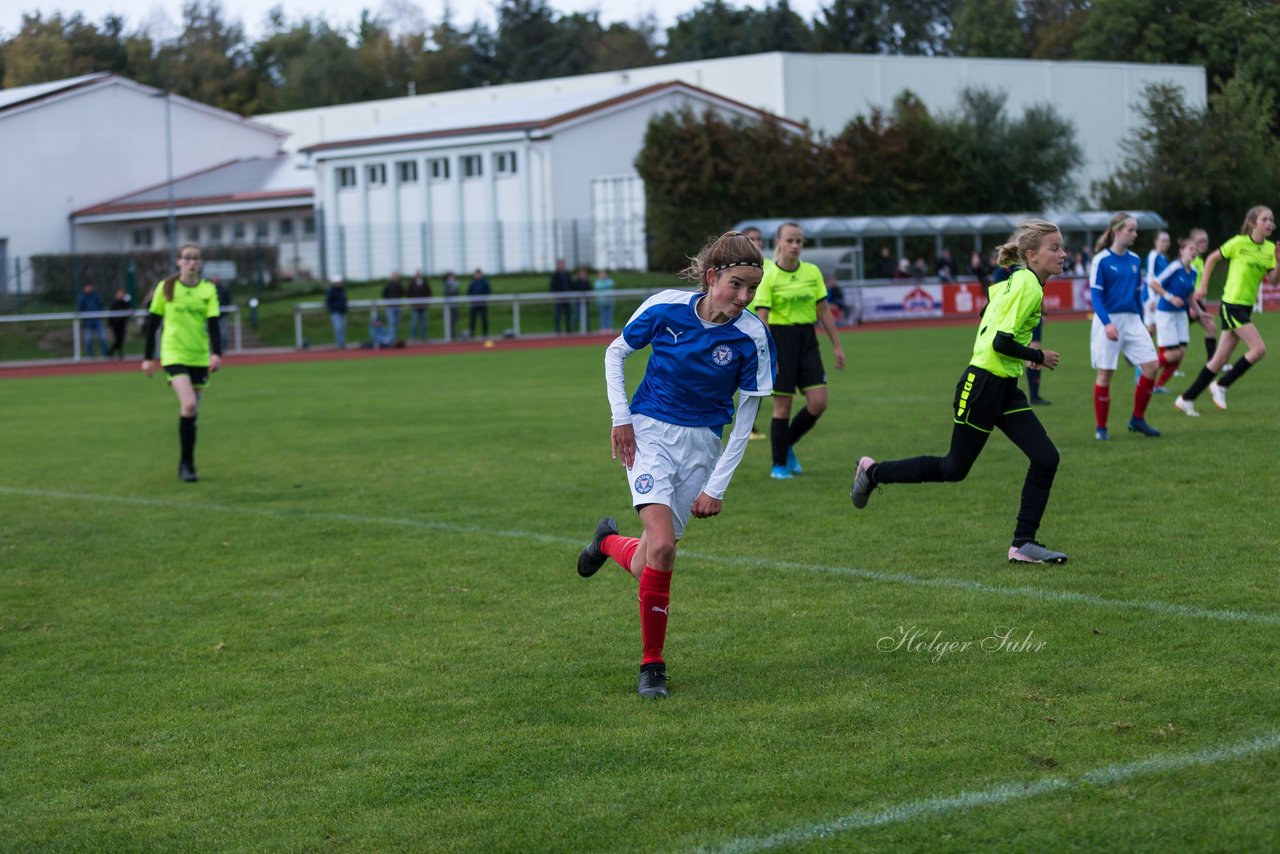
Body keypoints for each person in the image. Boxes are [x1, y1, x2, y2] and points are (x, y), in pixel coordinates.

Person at [575, 231, 775, 699]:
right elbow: (616, 352)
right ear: (711, 277)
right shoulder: (664, 307)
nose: (744, 297)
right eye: (736, 285)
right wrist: (621, 418)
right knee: (663, 548)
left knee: (650, 560)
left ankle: (606, 543)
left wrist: (717, 487)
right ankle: (652, 666)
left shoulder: (753, 338)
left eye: (752, 289)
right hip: (648, 433)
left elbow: (745, 419)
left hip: (702, 446)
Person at [850, 219, 1067, 565]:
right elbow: (1000, 341)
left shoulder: (1018, 280)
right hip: (982, 385)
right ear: (1032, 255)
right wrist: (1039, 355)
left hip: (1005, 388)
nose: (1063, 254)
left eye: (1062, 247)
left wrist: (1020, 352)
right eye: (1054, 248)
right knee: (954, 468)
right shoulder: (1028, 285)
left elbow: (988, 312)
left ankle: (1023, 544)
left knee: (1046, 457)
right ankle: (872, 472)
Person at [754, 221, 846, 479]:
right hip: (781, 341)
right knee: (782, 406)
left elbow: (824, 310)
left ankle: (787, 444)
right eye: (790, 240)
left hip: (807, 338)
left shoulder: (812, 272)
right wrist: (770, 355)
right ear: (779, 243)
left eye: (799, 241)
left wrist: (837, 346)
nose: (795, 246)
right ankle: (779, 465)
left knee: (819, 402)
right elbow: (763, 318)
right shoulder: (769, 276)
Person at [1175, 206, 1278, 416]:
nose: (1270, 223)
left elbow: (1274, 281)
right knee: (1258, 349)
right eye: (1265, 219)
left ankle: (1186, 398)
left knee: (1219, 360)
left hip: (1246, 307)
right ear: (1252, 223)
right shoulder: (1238, 243)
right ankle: (1221, 385)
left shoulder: (1269, 249)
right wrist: (1203, 286)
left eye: (1271, 220)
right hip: (1231, 304)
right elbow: (1212, 258)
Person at [141, 243, 223, 483]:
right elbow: (153, 323)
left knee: (192, 412)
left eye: (196, 258)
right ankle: (187, 465)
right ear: (178, 261)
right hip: (174, 354)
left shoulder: (207, 289)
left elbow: (214, 323)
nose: (191, 262)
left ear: (200, 263)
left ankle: (186, 463)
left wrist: (216, 353)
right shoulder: (166, 288)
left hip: (198, 355)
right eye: (187, 258)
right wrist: (148, 358)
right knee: (188, 405)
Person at [1089, 212, 1161, 440]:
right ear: (1117, 231)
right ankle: (1101, 428)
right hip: (1107, 321)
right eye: (1131, 230)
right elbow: (1096, 298)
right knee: (1105, 374)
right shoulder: (1101, 260)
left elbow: (1138, 296)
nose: (1135, 234)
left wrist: (1143, 323)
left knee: (1151, 365)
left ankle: (1137, 419)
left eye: (1136, 230)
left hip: (1132, 321)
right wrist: (1108, 324)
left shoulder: (1135, 260)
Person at [1150, 237, 1200, 394]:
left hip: (1181, 316)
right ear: (1181, 251)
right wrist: (1170, 297)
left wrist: (1199, 312)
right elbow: (1154, 283)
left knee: (1181, 353)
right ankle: (1145, 368)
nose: (1194, 252)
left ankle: (1158, 385)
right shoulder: (1174, 267)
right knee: (1172, 354)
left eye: (1196, 250)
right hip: (1166, 314)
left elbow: (1190, 295)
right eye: (1191, 249)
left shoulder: (1194, 272)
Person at [742, 226, 770, 441]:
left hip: (758, 331)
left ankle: (750, 427)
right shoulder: (735, 266)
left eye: (759, 239)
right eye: (751, 239)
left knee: (756, 380)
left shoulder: (769, 267)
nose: (756, 242)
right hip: (736, 327)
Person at [1189, 227, 1220, 364]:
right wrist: (1191, 305)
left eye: (1205, 241)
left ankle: (1212, 362)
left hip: (1195, 302)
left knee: (1211, 327)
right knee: (1174, 337)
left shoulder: (1200, 260)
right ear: (1192, 243)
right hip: (1189, 302)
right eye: (1200, 241)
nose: (1203, 244)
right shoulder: (1192, 261)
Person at [76, 283, 108, 358]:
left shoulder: (96, 296)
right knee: (88, 339)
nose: (88, 289)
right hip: (88, 321)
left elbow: (101, 305)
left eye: (89, 287)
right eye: (87, 287)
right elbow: (79, 308)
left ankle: (105, 353)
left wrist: (100, 315)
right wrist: (83, 319)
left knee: (103, 337)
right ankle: (90, 355)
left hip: (97, 320)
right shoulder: (82, 297)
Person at [408, 270, 432, 342]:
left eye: (419, 274)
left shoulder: (425, 283)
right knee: (414, 323)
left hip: (424, 306)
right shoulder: (411, 283)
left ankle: (424, 337)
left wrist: (426, 303)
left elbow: (429, 293)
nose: (418, 276)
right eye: (417, 274)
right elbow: (408, 293)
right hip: (415, 307)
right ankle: (413, 337)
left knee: (424, 323)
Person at [107, 288, 132, 359]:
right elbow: (112, 313)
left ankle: (111, 352)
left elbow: (130, 308)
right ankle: (118, 353)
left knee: (121, 339)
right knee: (118, 339)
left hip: (122, 323)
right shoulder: (114, 302)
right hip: (115, 323)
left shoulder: (125, 302)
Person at [549, 260, 572, 334]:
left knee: (568, 314)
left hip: (566, 297)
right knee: (558, 314)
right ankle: (558, 330)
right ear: (558, 265)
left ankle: (568, 329)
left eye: (562, 264)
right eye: (560, 264)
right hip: (559, 298)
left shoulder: (566, 274)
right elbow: (552, 286)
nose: (562, 265)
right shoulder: (555, 274)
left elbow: (570, 284)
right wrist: (555, 294)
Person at [326, 276, 349, 349]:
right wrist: (332, 309)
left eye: (339, 282)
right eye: (337, 283)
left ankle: (342, 344)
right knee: (338, 328)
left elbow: (345, 300)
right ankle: (339, 344)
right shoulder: (331, 291)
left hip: (343, 312)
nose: (338, 284)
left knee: (342, 328)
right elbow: (328, 302)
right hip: (335, 312)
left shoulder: (342, 290)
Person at [468, 268, 491, 339]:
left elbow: (488, 291)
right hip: (474, 304)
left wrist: (484, 298)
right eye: (476, 274)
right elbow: (469, 292)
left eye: (478, 274)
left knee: (484, 319)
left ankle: (485, 334)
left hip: (483, 304)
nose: (477, 275)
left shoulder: (485, 282)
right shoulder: (472, 283)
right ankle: (472, 333)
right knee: (472, 319)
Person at [382, 272, 405, 342]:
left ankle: (393, 337)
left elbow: (403, 292)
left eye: (396, 276)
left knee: (396, 323)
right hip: (390, 307)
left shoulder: (399, 284)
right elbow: (384, 294)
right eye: (394, 276)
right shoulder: (388, 285)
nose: (395, 278)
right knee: (391, 323)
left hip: (398, 306)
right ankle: (391, 339)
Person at [213, 276, 233, 350]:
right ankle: (214, 348)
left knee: (223, 333)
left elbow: (228, 299)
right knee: (213, 333)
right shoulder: (209, 289)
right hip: (212, 315)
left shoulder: (224, 289)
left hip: (223, 314)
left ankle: (224, 348)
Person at [572, 266, 592, 331]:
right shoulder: (576, 282)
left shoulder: (587, 282)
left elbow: (589, 289)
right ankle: (575, 329)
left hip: (585, 302)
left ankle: (588, 329)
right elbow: (575, 289)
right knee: (576, 316)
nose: (583, 275)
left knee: (586, 317)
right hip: (578, 302)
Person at [442, 271, 461, 339]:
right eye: (450, 276)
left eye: (452, 276)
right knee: (449, 321)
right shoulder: (446, 285)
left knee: (454, 321)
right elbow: (446, 293)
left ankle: (453, 335)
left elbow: (457, 292)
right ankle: (450, 336)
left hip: (455, 306)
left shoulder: (456, 284)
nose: (452, 278)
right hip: (449, 306)